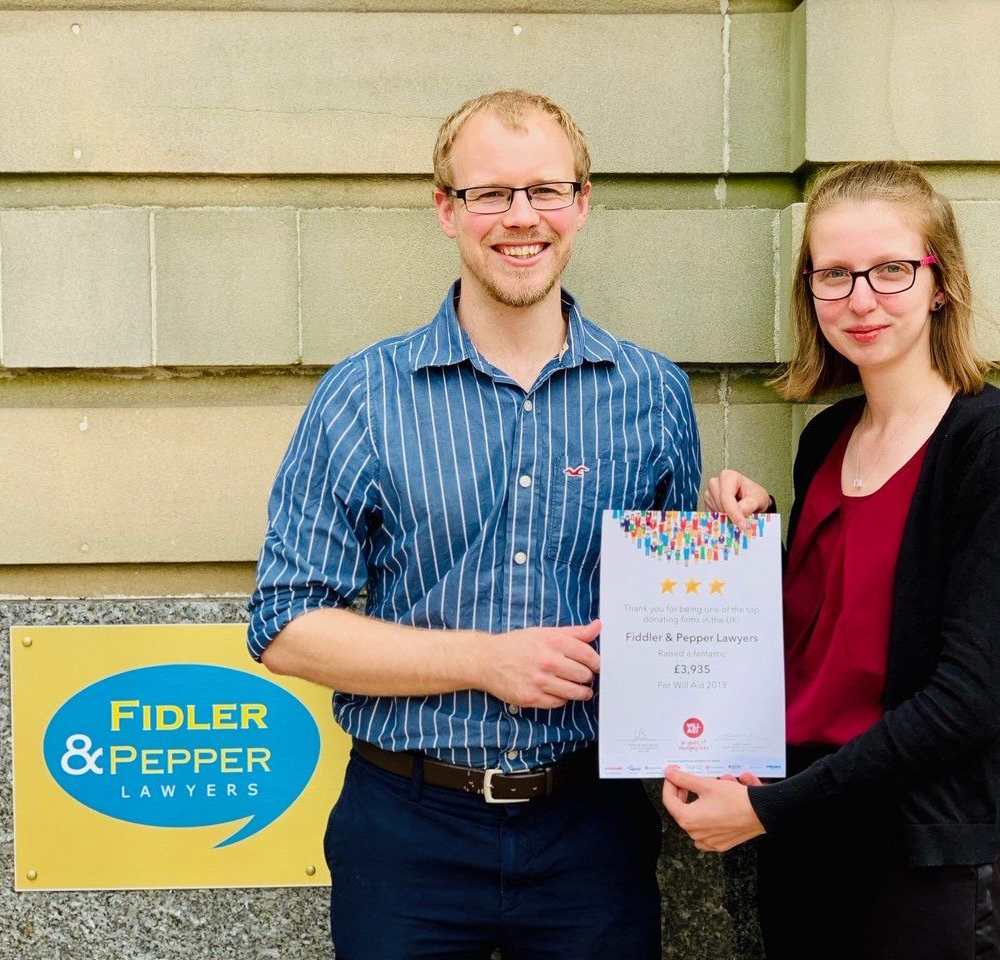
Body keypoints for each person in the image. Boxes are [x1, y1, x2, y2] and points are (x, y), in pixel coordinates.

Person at [246, 89, 699, 959]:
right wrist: (485, 660)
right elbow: (285, 630)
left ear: (583, 204)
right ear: (446, 210)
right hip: (408, 829)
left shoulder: (653, 394)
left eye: (546, 191)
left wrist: (724, 540)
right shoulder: (362, 396)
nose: (520, 218)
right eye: (490, 193)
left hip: (590, 830)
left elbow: (677, 625)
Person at [660, 160, 1000, 960]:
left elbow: (968, 702)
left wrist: (773, 810)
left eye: (891, 270)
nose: (860, 299)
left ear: (941, 283)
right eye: (833, 275)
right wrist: (753, 539)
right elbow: (829, 644)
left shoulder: (989, 443)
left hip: (919, 860)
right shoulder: (826, 441)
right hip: (806, 845)